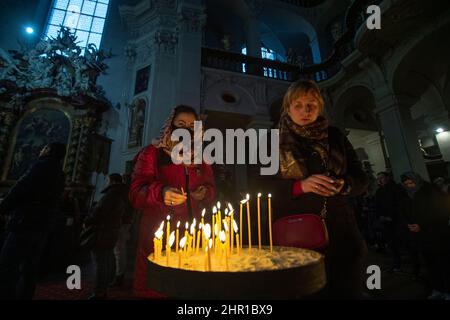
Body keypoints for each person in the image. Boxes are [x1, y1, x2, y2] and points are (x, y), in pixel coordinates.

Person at [273, 80, 369, 299]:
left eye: (311, 105)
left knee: (344, 288)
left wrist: (345, 185)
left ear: (320, 107)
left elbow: (362, 178)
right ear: (288, 108)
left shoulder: (335, 136)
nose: (305, 111)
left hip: (340, 230)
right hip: (296, 231)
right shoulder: (273, 141)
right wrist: (300, 186)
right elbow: (259, 186)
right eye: (298, 105)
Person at [129, 105, 216, 299]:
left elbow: (212, 189)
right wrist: (161, 192)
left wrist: (205, 193)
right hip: (158, 232)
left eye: (192, 125)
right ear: (171, 125)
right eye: (181, 124)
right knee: (158, 287)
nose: (187, 129)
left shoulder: (201, 158)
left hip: (193, 233)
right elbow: (135, 193)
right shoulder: (153, 152)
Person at [0, 142, 66, 299]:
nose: (41, 150)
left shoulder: (39, 166)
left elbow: (20, 188)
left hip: (25, 221)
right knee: (30, 267)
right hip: (43, 225)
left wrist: (3, 208)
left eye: (43, 148)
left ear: (48, 150)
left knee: (8, 265)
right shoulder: (60, 173)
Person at [401, 171, 450, 300]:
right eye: (406, 184)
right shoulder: (408, 195)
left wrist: (422, 225)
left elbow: (440, 213)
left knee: (443, 264)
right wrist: (408, 224)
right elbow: (405, 212)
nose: (410, 186)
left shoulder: (430, 191)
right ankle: (438, 289)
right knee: (431, 265)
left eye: (411, 182)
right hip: (422, 238)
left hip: (437, 236)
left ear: (417, 180)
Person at [85, 173, 127, 300]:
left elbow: (98, 213)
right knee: (107, 260)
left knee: (100, 263)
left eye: (107, 180)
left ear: (112, 181)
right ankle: (104, 287)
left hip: (102, 233)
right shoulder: (120, 195)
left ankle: (99, 292)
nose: (105, 182)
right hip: (111, 232)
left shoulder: (111, 195)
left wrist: (88, 220)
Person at [374, 171, 406, 271]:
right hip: (386, 221)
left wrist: (391, 216)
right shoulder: (379, 191)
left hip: (397, 220)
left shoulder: (396, 188)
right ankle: (397, 263)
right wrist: (380, 216)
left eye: (381, 178)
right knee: (392, 243)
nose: (379, 180)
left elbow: (399, 204)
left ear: (387, 178)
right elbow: (377, 205)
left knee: (402, 241)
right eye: (378, 178)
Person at [110, 174, 135, 288]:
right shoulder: (129, 191)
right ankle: (117, 273)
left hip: (121, 222)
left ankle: (119, 275)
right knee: (119, 249)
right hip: (125, 221)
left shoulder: (122, 192)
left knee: (119, 249)